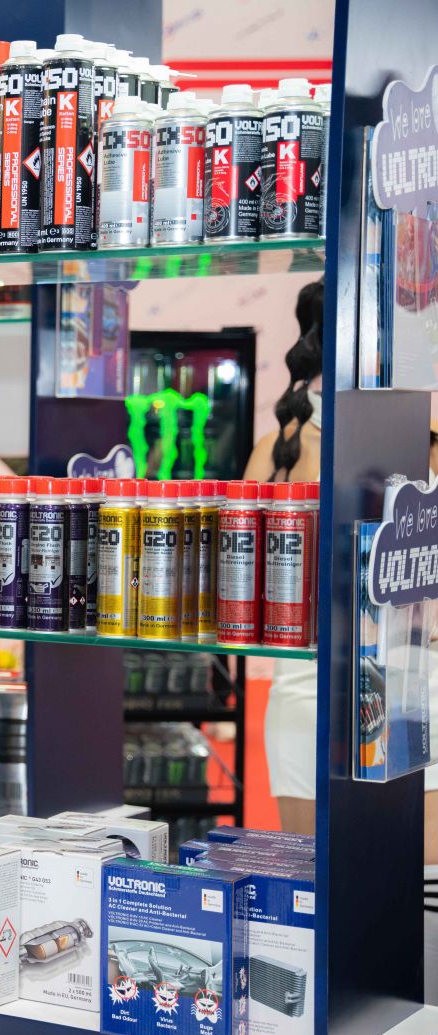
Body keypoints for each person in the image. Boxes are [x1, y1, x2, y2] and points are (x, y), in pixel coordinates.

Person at [241, 279, 323, 835]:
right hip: (309, 680)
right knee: (317, 872)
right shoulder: (280, 449)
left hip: (410, 678)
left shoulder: (276, 451)